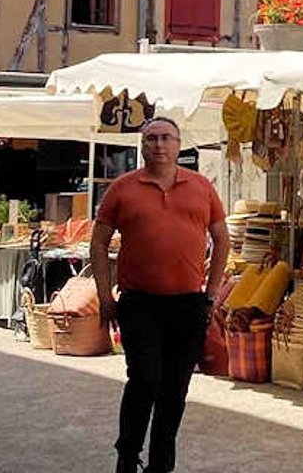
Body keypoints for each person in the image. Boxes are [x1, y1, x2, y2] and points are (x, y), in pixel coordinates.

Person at [93, 117, 229, 473]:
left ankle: (161, 464)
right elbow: (99, 241)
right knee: (144, 380)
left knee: (175, 390)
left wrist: (211, 293)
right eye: (151, 138)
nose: (158, 145)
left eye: (165, 138)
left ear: (178, 144)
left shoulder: (201, 187)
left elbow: (223, 238)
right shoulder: (123, 188)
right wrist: (105, 297)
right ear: (142, 145)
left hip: (188, 304)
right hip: (139, 303)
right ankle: (128, 453)